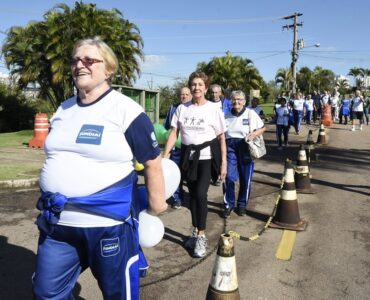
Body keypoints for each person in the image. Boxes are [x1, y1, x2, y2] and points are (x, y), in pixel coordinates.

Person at [33, 37, 167, 300]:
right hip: (58, 225)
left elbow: (152, 161)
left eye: (89, 60)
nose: (79, 65)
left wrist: (156, 204)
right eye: (75, 60)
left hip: (108, 228)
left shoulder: (127, 111)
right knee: (47, 293)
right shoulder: (64, 109)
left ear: (108, 69)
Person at [163, 71, 227, 258]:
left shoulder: (214, 109)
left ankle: (201, 235)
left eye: (200, 84)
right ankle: (194, 230)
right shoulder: (182, 108)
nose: (196, 87)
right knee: (190, 197)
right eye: (193, 84)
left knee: (200, 194)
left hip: (206, 157)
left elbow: (221, 137)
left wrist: (223, 163)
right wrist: (165, 155)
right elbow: (174, 133)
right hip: (187, 157)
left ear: (205, 88)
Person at [223, 90, 266, 217]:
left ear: (244, 102)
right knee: (229, 177)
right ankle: (228, 204)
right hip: (230, 146)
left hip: (245, 146)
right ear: (231, 101)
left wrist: (253, 134)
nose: (237, 102)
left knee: (245, 177)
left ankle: (242, 205)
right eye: (234, 99)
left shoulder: (250, 113)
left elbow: (263, 128)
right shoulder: (226, 115)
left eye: (239, 99)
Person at [164, 87, 192, 208]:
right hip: (176, 149)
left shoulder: (194, 108)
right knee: (176, 173)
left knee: (191, 175)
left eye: (186, 94)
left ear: (191, 95)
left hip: (191, 149)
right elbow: (167, 128)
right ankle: (177, 198)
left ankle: (193, 198)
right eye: (182, 94)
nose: (184, 96)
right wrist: (167, 150)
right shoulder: (173, 108)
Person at [209, 84, 231, 186]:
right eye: (212, 92)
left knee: (222, 156)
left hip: (224, 134)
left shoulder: (227, 103)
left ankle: (220, 175)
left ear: (220, 93)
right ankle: (213, 175)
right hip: (211, 134)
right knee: (212, 156)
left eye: (216, 92)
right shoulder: (207, 103)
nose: (214, 94)